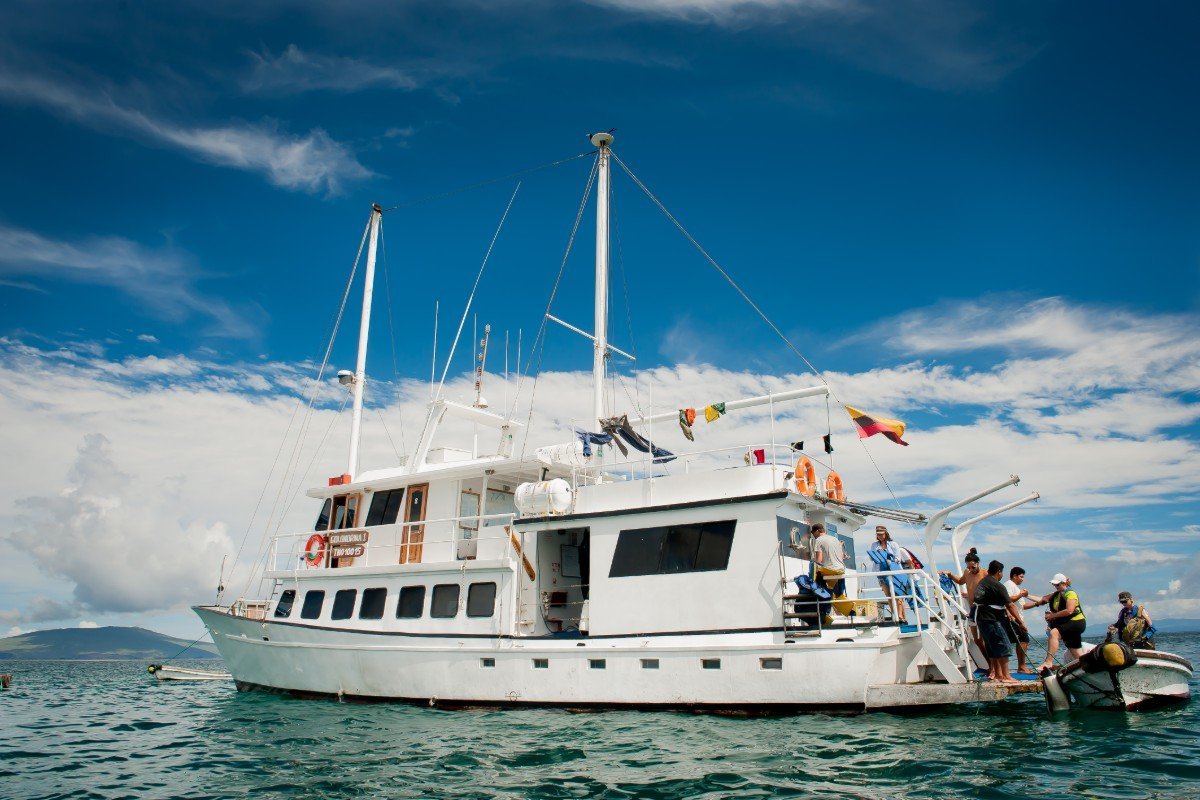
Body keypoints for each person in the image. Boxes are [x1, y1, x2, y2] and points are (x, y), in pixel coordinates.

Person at [973, 560, 1021, 683]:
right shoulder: (997, 585)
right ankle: (1006, 676)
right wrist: (1021, 623)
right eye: (1002, 572)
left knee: (992, 647)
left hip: (981, 619)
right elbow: (1010, 605)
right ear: (999, 571)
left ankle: (999, 675)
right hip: (991, 619)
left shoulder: (983, 582)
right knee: (1003, 645)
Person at [1031, 573, 1087, 670]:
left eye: (1057, 584)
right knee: (1074, 650)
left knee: (1054, 633)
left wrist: (1052, 615)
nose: (1055, 586)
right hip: (1068, 624)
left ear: (1064, 583)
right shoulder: (1056, 594)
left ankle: (1048, 662)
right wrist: (1025, 595)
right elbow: (1042, 599)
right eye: (1054, 584)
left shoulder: (1070, 593)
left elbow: (1069, 610)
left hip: (1077, 622)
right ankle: (1087, 667)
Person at [941, 548, 985, 654]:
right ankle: (988, 661)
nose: (971, 569)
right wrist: (950, 574)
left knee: (986, 639)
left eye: (973, 567)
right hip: (973, 609)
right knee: (977, 640)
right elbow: (961, 581)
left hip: (983, 609)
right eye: (968, 567)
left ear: (978, 563)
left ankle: (992, 663)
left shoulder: (985, 573)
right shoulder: (967, 572)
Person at [868, 525, 908, 624]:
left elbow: (898, 558)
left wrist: (890, 560)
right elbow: (872, 558)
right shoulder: (874, 545)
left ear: (886, 534)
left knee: (898, 593)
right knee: (888, 594)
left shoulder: (893, 544)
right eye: (878, 534)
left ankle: (900, 615)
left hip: (894, 571)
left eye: (882, 534)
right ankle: (895, 614)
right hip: (881, 572)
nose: (880, 536)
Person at [1002, 566, 1035, 674]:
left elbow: (1022, 606)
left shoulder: (1015, 587)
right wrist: (1022, 594)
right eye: (1021, 577)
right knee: (1024, 639)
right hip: (1012, 619)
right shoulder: (1009, 584)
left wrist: (1036, 604)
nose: (1022, 579)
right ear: (1014, 576)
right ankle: (1021, 667)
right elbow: (1008, 599)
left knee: (1022, 640)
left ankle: (1021, 666)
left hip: (1017, 618)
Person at [811, 523, 847, 621]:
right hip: (841, 570)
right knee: (839, 595)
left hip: (830, 571)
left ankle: (824, 616)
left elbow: (819, 560)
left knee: (821, 591)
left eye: (813, 533)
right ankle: (844, 616)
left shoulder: (819, 540)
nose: (813, 535)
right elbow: (841, 556)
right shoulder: (835, 539)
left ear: (817, 531)